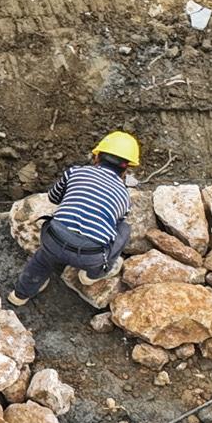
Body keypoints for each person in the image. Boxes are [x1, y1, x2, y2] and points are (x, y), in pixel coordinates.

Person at [9, 130, 142, 309]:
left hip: (54, 241)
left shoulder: (75, 172)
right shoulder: (124, 195)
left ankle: (20, 294)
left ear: (97, 158)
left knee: (42, 260)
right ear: (126, 169)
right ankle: (92, 274)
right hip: (90, 256)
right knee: (124, 229)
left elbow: (53, 198)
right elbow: (118, 222)